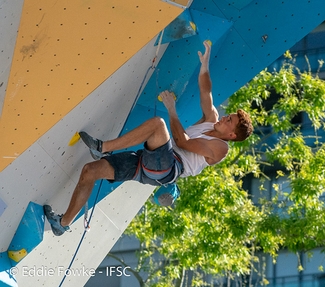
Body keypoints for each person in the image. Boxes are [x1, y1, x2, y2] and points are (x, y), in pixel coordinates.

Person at [44, 41, 253, 236]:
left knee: (158, 124)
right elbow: (205, 90)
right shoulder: (211, 119)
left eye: (229, 121)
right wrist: (205, 64)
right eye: (228, 116)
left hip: (169, 167)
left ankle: (102, 147)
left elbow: (183, 142)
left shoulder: (220, 149)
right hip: (148, 164)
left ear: (231, 135)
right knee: (90, 171)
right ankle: (62, 224)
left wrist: (172, 110)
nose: (225, 117)